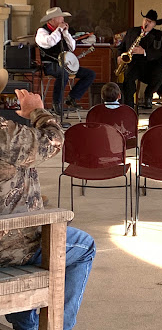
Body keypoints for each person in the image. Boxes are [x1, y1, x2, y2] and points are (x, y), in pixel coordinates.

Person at [0, 68, 95, 330]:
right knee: (84, 246)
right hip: (7, 250)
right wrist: (36, 112)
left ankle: (25, 321)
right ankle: (53, 326)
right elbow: (52, 141)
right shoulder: (4, 135)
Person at [35, 7, 96, 115]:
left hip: (65, 64)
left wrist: (66, 33)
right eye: (60, 17)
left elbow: (72, 47)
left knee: (90, 74)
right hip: (50, 65)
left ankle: (72, 98)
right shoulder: (42, 31)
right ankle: (56, 103)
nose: (63, 19)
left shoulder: (62, 31)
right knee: (63, 74)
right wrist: (59, 30)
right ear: (52, 20)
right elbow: (50, 42)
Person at [117, 9, 162, 109]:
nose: (147, 23)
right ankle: (128, 107)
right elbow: (121, 47)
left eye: (150, 22)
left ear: (154, 24)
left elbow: (160, 52)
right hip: (133, 64)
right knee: (128, 80)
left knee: (160, 74)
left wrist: (144, 52)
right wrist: (119, 56)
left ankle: (148, 95)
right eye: (146, 20)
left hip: (150, 65)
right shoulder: (131, 31)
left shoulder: (159, 35)